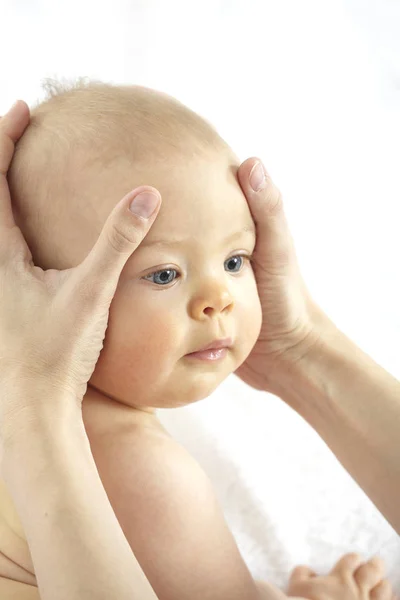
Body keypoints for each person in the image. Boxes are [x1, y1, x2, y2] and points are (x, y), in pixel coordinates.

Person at [0, 85, 398, 600]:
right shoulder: (145, 472)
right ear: (40, 297)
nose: (219, 298)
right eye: (165, 274)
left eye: (235, 261)